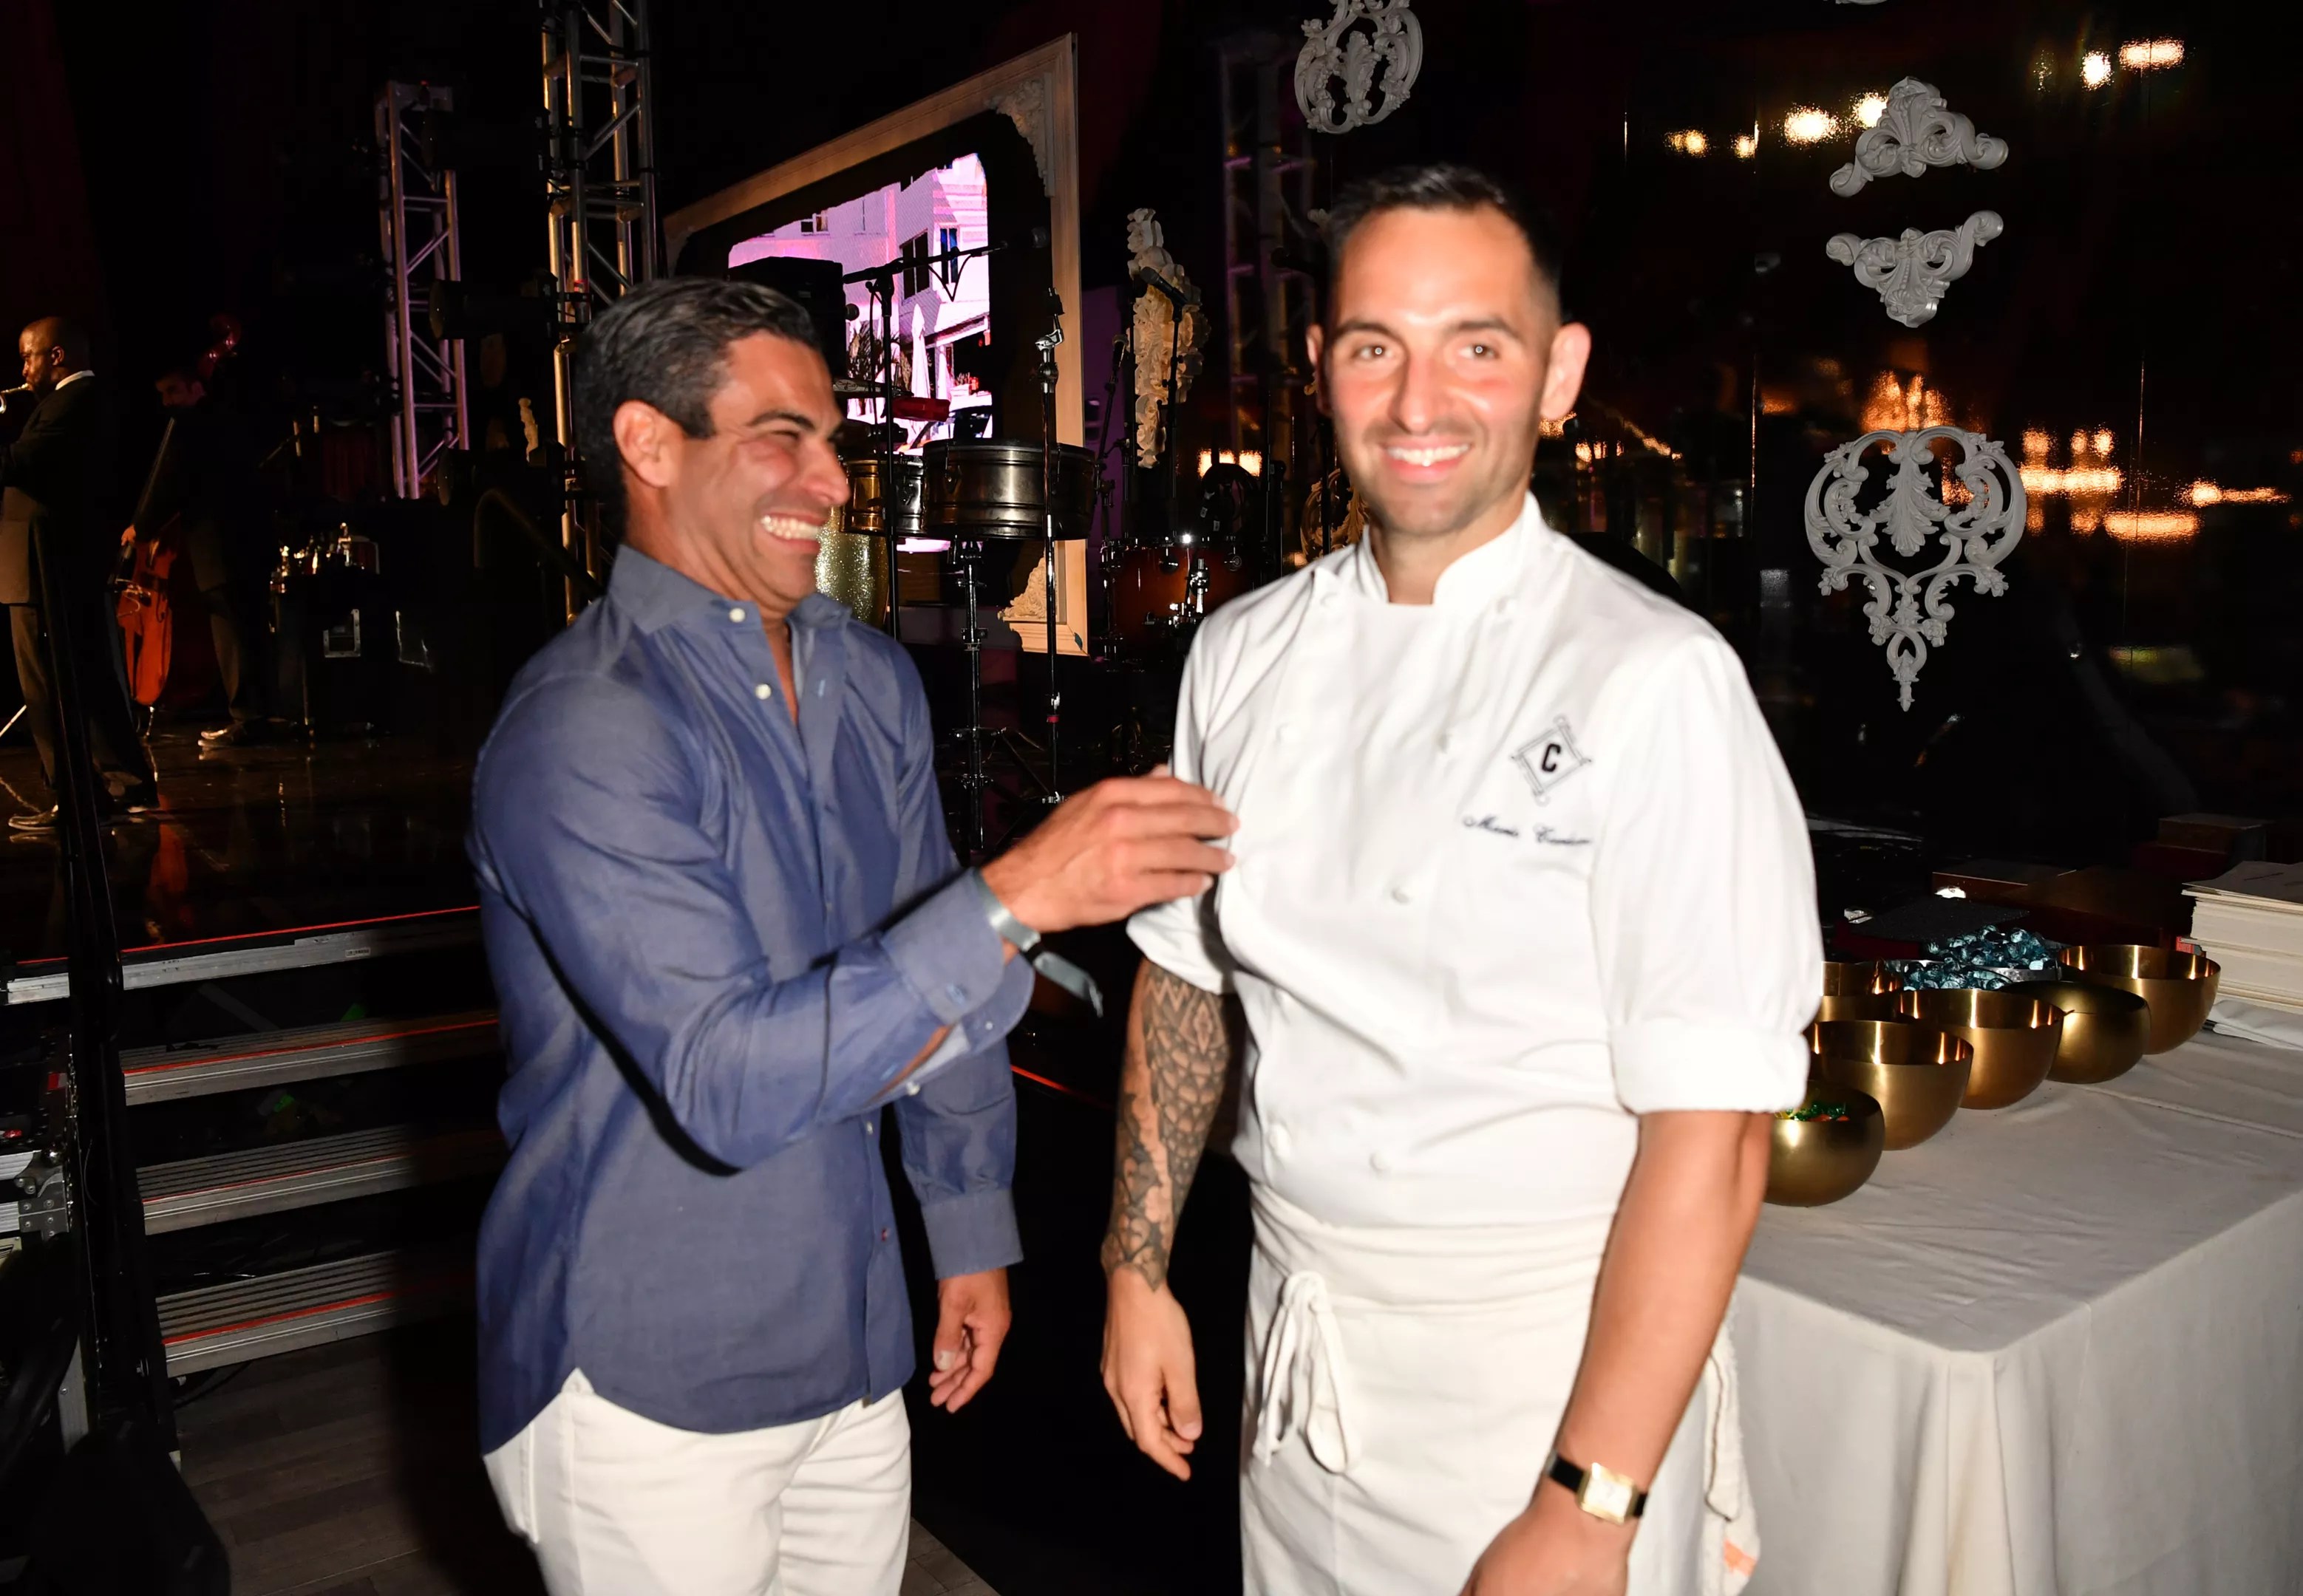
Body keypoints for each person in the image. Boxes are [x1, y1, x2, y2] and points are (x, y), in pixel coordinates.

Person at [1102, 165, 1820, 1596]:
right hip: (1297, 1351)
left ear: (1558, 377)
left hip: (1544, 1377)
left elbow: (1715, 1135)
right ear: (1323, 374)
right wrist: (1136, 1266)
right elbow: (1189, 974)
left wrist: (1585, 1506)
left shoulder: (1653, 680)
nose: (1416, 402)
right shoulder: (1239, 655)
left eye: (1473, 347)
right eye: (1375, 345)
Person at [467, 277, 1234, 1596]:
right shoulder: (582, 728)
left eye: (832, 440)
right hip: (648, 1371)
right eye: (784, 437)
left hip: (850, 1328)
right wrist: (1016, 899)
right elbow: (728, 1082)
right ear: (650, 447)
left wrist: (969, 1217)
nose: (832, 482)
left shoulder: (867, 679)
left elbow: (936, 963)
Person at [0, 317, 159, 830]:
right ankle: (122, 783)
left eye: (29, 356)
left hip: (45, 567)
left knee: (49, 689)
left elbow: (18, 465)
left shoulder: (74, 402)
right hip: (50, 565)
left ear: (57, 356)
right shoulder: (70, 404)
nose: (22, 368)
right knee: (87, 680)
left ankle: (77, 795)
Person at [129, 362, 270, 746]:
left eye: (173, 391)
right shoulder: (228, 420)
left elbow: (169, 480)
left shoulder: (192, 425)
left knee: (232, 629)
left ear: (196, 389)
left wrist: (141, 527)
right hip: (247, 542)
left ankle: (248, 719)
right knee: (247, 627)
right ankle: (259, 714)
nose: (167, 401)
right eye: (162, 394)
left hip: (220, 546)